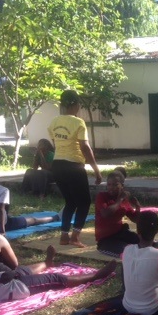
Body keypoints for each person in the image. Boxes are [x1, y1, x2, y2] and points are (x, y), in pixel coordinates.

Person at [0, 198, 116, 306]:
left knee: (23, 270)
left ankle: (46, 263)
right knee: (55, 279)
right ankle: (95, 275)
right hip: (4, 289)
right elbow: (13, 265)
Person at [49, 90, 103, 248]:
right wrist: (97, 171)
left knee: (70, 202)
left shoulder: (53, 122)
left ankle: (64, 236)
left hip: (57, 165)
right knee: (84, 202)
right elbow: (85, 148)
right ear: (76, 104)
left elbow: (55, 144)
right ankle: (75, 237)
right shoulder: (78, 122)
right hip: (73, 166)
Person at [0, 167, 60, 235]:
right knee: (33, 220)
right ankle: (54, 218)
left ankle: (54, 218)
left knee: (18, 218)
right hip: (0, 225)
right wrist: (2, 231)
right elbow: (0, 210)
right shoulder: (3, 190)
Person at [95, 169, 140, 256]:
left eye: (115, 185)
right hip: (105, 239)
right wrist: (120, 200)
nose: (111, 187)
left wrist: (137, 207)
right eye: (109, 184)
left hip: (120, 233)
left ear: (122, 186)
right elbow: (106, 214)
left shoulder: (124, 200)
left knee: (143, 243)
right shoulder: (102, 196)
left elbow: (135, 219)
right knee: (128, 252)